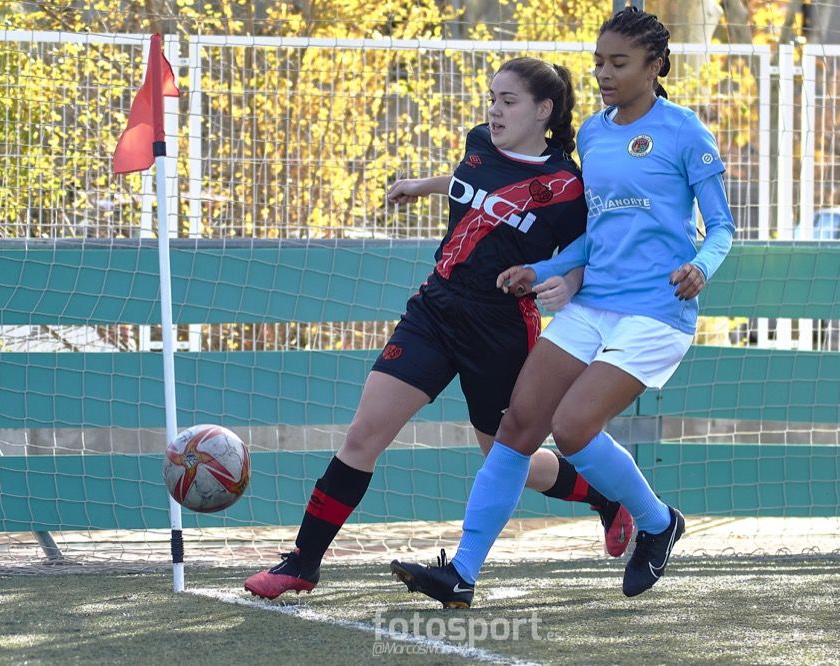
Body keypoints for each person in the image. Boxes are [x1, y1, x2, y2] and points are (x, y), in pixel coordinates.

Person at [244, 57, 635, 600]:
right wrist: (423, 185)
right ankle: (302, 563)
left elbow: (585, 253)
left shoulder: (567, 185)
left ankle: (605, 497)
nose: (494, 110)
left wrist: (568, 284)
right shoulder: (479, 142)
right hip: (435, 308)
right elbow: (470, 183)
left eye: (508, 101)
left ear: (543, 110)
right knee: (363, 435)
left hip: (500, 328)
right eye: (492, 98)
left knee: (507, 460)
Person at [391, 7, 736, 608]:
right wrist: (542, 270)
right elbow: (593, 236)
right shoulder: (594, 136)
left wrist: (700, 267)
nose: (604, 74)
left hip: (656, 311)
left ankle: (657, 523)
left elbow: (723, 228)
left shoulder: (685, 132)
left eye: (618, 63)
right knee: (517, 428)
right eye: (599, 62)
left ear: (654, 66)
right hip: (594, 302)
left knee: (573, 428)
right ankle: (462, 573)